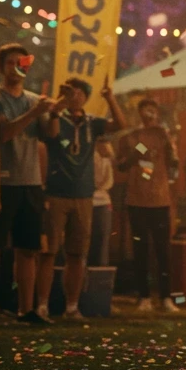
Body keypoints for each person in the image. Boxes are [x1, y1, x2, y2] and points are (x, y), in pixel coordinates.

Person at [0, 44, 54, 325]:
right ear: (0, 66)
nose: (17, 68)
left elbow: (49, 134)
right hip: (2, 181)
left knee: (28, 249)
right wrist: (35, 112)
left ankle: (26, 309)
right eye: (11, 63)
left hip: (31, 181)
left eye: (22, 63)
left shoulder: (34, 99)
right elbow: (4, 133)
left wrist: (55, 112)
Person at [37, 77, 126, 320]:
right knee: (48, 252)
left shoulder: (92, 123)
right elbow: (52, 135)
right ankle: (42, 305)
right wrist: (57, 109)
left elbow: (120, 124)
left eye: (79, 93)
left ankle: (72, 306)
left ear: (86, 97)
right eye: (69, 92)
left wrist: (109, 98)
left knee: (77, 254)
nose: (74, 96)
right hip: (56, 193)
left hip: (84, 196)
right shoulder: (54, 117)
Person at [117, 99, 179, 312]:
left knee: (163, 250)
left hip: (160, 200)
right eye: (146, 110)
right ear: (140, 113)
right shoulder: (131, 136)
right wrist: (140, 146)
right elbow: (123, 164)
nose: (149, 114)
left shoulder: (163, 135)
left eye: (153, 110)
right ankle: (143, 296)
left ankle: (166, 297)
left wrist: (167, 141)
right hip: (137, 200)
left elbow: (174, 162)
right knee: (140, 249)